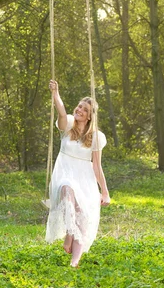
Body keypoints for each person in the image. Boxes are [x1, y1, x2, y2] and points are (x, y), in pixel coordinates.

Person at [45, 79, 111, 267]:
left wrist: (104, 191)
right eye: (79, 106)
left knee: (83, 216)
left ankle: (74, 262)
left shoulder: (97, 137)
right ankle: (69, 232)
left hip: (85, 178)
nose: (79, 110)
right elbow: (60, 111)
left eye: (84, 110)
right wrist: (55, 94)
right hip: (65, 172)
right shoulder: (68, 125)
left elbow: (97, 167)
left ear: (90, 116)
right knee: (67, 191)